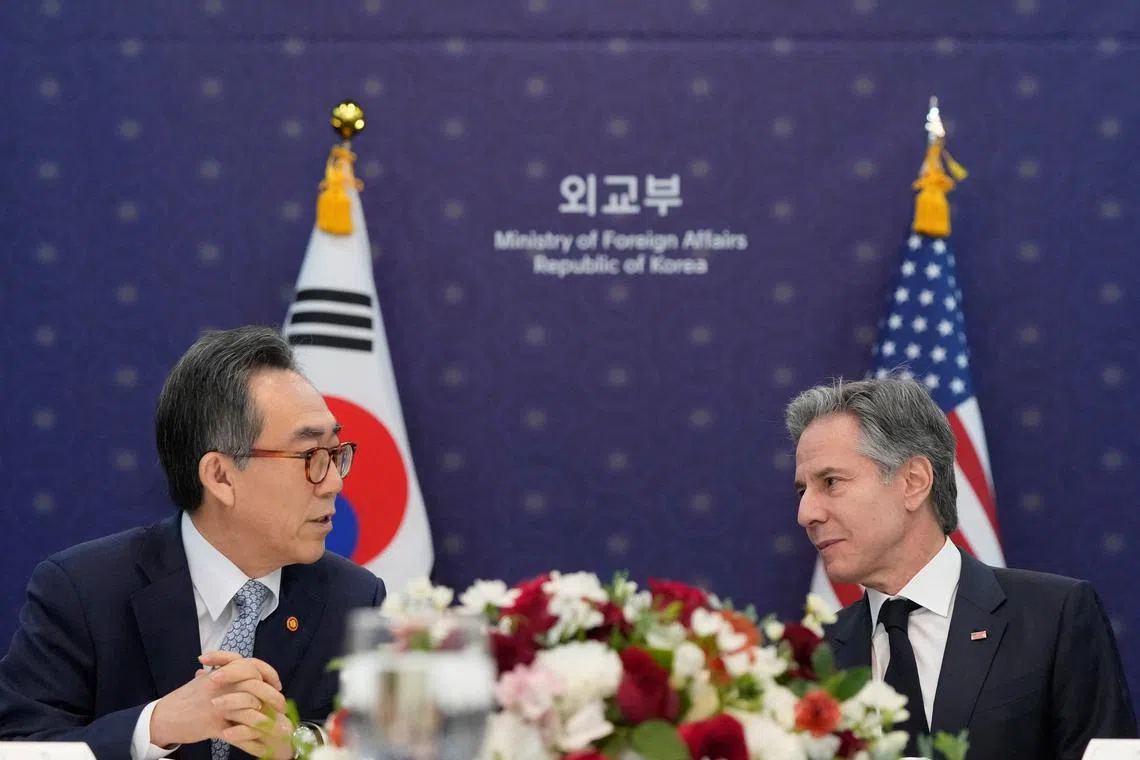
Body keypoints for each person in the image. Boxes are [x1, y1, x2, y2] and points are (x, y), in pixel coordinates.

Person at [0, 326, 386, 760]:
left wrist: (297, 749)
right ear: (220, 476)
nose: (333, 483)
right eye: (310, 457)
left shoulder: (354, 599)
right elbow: (18, 745)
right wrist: (154, 726)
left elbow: (384, 744)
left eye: (335, 454)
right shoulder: (83, 591)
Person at [786, 376, 1136, 759]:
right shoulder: (809, 657)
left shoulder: (1054, 617)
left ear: (914, 481)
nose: (806, 513)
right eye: (803, 491)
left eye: (831, 482)